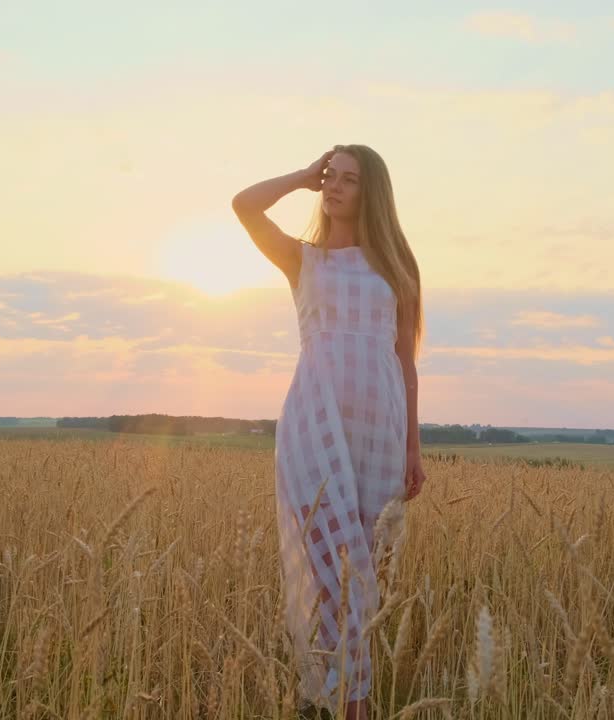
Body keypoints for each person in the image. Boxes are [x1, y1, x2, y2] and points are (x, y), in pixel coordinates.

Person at [232, 144, 426, 719]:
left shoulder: (397, 268)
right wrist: (298, 176)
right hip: (312, 429)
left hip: (380, 436)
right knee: (332, 576)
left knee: (366, 575)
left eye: (348, 179)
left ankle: (336, 698)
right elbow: (243, 206)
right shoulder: (304, 261)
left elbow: (405, 361)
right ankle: (354, 706)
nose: (334, 187)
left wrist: (414, 447)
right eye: (329, 177)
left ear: (373, 192)